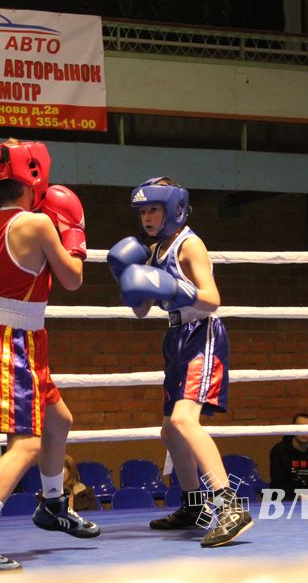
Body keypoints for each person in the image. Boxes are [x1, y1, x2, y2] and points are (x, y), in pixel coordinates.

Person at [0, 139, 99, 573]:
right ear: (34, 178)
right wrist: (74, 234)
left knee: (59, 420)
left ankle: (52, 505)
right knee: (25, 444)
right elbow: (73, 279)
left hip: (11, 335)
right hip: (13, 343)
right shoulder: (39, 223)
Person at [108, 176, 251, 548]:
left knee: (185, 421)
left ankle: (230, 507)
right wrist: (126, 278)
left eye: (154, 209)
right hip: (175, 337)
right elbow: (142, 310)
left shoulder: (190, 245)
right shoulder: (155, 250)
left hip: (202, 333)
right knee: (170, 431)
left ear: (173, 209)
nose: (147, 218)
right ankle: (194, 505)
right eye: (142, 211)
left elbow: (212, 298)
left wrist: (174, 287)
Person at [269, 413, 308, 500]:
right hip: (288, 500)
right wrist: (304, 497)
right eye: (301, 428)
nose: (305, 432)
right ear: (293, 429)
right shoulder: (279, 450)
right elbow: (279, 485)